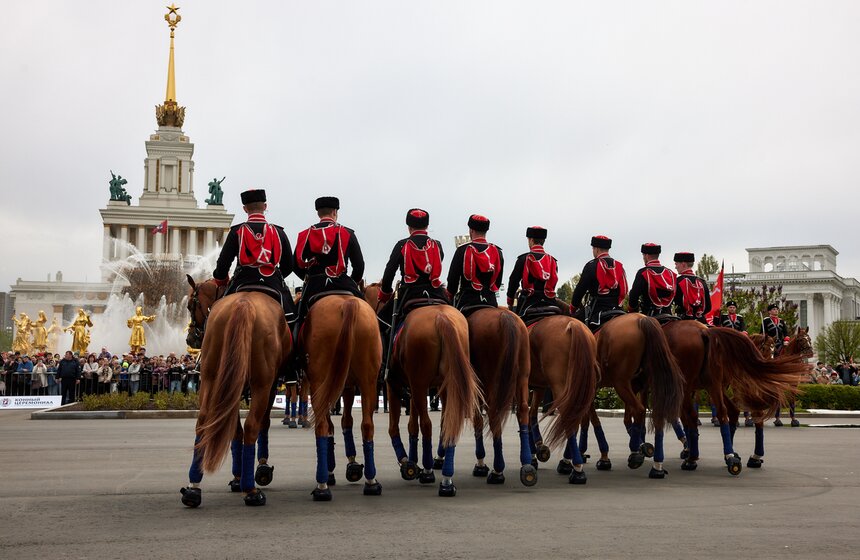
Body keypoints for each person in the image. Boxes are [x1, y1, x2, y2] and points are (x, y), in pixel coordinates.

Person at [213, 188, 295, 318]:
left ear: (245, 209)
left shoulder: (236, 231)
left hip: (241, 282)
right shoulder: (279, 232)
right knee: (292, 318)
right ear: (265, 206)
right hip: (272, 283)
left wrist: (221, 281)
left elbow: (223, 264)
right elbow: (289, 265)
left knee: (215, 315)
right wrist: (275, 276)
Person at [377, 208, 449, 328]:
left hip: (409, 293)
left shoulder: (401, 244)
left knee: (381, 322)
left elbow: (389, 272)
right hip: (436, 292)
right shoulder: (437, 245)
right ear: (427, 226)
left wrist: (385, 293)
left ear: (409, 227)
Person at [294, 196, 365, 314]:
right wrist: (352, 281)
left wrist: (309, 278)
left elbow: (295, 265)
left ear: (318, 213)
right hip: (342, 282)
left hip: (315, 284)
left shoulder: (306, 234)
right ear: (335, 212)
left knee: (298, 318)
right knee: (366, 311)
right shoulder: (348, 233)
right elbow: (359, 265)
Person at [446, 214, 504, 314]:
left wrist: (450, 296)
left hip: (467, 301)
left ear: (471, 230)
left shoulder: (462, 250)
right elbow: (497, 283)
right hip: (490, 301)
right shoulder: (498, 252)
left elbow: (453, 280)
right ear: (486, 231)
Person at [506, 226, 564, 318]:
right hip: (550, 303)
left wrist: (510, 301)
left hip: (528, 302)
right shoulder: (553, 261)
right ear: (543, 241)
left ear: (531, 240)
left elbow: (513, 281)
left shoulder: (523, 259)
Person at [571, 235, 628, 330]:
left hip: (596, 310)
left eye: (593, 249)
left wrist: (573, 308)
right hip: (617, 309)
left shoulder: (591, 265)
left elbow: (580, 290)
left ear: (596, 249)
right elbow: (624, 290)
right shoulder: (620, 266)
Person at [627, 242, 677, 317]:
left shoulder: (643, 272)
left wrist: (633, 309)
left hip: (649, 316)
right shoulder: (671, 273)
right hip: (668, 314)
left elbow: (634, 295)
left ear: (646, 256)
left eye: (643, 255)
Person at [672, 252, 711, 323]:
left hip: (682, 321)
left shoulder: (676, 281)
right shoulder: (702, 282)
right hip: (701, 321)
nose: (675, 267)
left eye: (676, 264)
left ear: (683, 264)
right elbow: (708, 307)